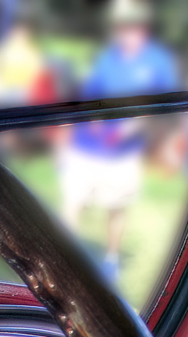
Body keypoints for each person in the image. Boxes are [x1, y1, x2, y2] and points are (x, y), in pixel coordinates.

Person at [58, 0, 176, 279]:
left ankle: (110, 260)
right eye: (121, 27)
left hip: (124, 153)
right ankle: (64, 262)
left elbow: (165, 106)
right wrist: (97, 124)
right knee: (73, 203)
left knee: (116, 206)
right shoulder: (107, 57)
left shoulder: (158, 61)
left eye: (132, 26)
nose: (126, 33)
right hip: (86, 147)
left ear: (143, 29)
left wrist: (132, 128)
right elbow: (89, 97)